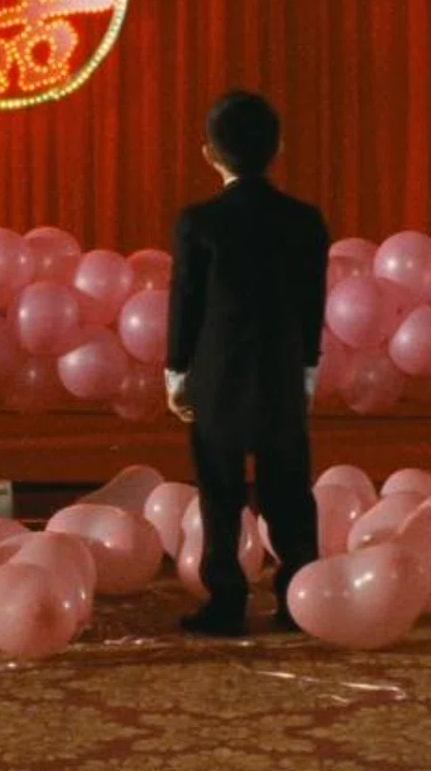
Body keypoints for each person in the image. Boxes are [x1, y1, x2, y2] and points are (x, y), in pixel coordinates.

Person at [166, 91, 331, 636]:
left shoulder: (199, 222)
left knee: (219, 492)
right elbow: (313, 305)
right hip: (281, 375)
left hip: (216, 379)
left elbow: (185, 304)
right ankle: (299, 596)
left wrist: (176, 373)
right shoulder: (305, 221)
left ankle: (226, 598)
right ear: (278, 147)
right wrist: (307, 371)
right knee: (288, 487)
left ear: (209, 152)